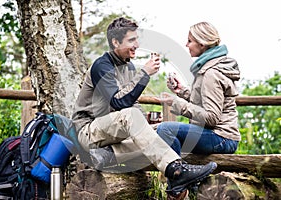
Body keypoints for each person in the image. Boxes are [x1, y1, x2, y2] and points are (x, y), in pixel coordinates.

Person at [72, 17, 217, 197]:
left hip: (112, 137)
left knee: (162, 132)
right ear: (115, 42)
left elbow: (133, 103)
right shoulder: (102, 66)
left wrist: (148, 125)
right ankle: (177, 171)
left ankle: (178, 187)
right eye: (131, 40)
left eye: (137, 39)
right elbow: (119, 103)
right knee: (131, 115)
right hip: (89, 132)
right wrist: (145, 74)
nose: (137, 44)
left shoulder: (129, 67)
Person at [156, 22, 241, 157]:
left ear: (202, 44)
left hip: (221, 138)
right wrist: (182, 91)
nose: (186, 45)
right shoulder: (210, 67)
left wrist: (177, 103)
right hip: (222, 137)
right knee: (161, 132)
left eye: (190, 41)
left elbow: (211, 118)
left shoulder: (210, 73)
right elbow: (206, 101)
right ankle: (181, 172)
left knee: (165, 129)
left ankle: (180, 173)